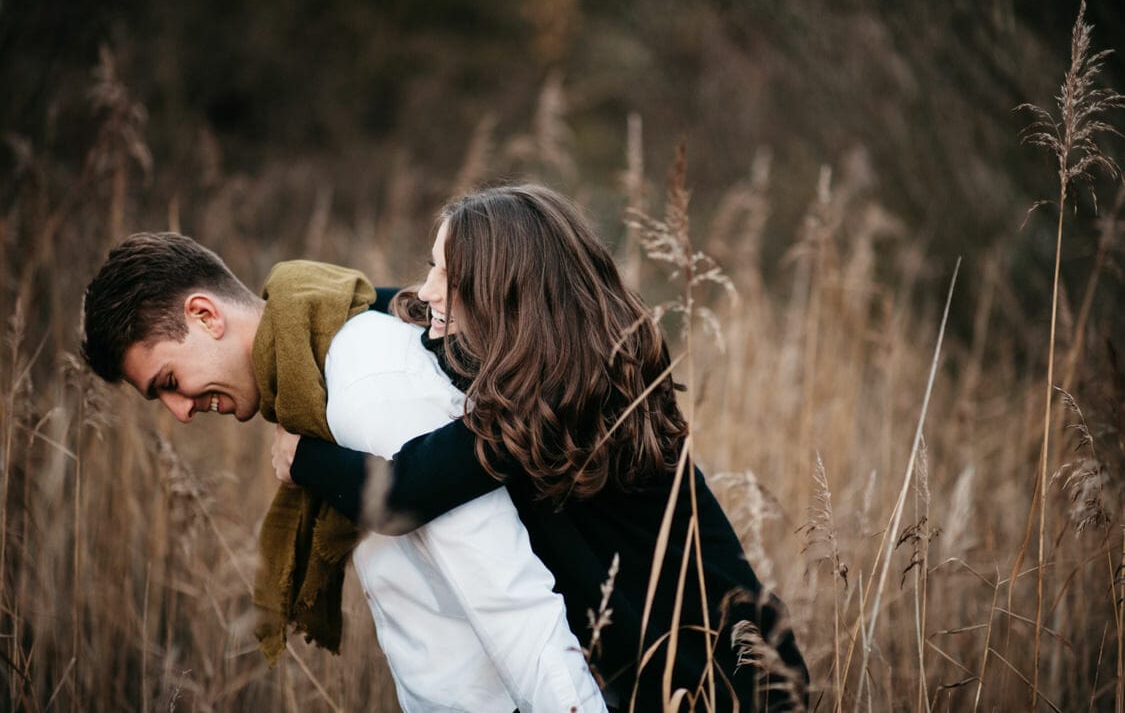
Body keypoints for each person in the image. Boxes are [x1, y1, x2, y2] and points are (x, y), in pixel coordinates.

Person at [278, 184, 810, 711]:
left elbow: (398, 497)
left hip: (715, 677)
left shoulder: (558, 402)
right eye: (431, 266)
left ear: (506, 294)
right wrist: (319, 303)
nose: (428, 289)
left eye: (448, 275)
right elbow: (410, 304)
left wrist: (301, 457)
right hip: (685, 663)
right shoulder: (578, 355)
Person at [80, 232, 606, 712]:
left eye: (169, 380)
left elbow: (507, 596)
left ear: (204, 315)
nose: (179, 411)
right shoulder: (315, 384)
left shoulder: (363, 384)